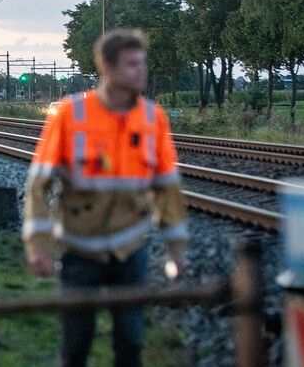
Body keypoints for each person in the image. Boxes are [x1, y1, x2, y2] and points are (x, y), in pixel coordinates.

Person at [22, 29, 188, 367]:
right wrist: (38, 244)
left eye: (142, 63)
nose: (141, 71)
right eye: (131, 65)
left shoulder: (152, 117)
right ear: (108, 69)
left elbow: (167, 186)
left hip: (131, 249)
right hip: (79, 248)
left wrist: (177, 250)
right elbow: (39, 183)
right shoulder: (71, 115)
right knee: (75, 346)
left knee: (130, 344)